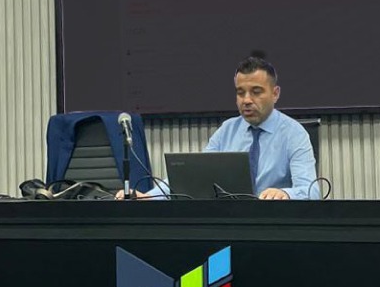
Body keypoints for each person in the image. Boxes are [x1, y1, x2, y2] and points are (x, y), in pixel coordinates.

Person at [117, 57, 319, 200]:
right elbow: (193, 176)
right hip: (230, 222)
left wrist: (285, 194)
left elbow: (312, 191)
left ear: (275, 94)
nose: (246, 100)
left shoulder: (294, 134)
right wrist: (149, 197)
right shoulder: (227, 131)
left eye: (256, 92)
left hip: (272, 225)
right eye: (240, 93)